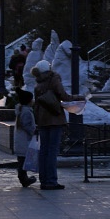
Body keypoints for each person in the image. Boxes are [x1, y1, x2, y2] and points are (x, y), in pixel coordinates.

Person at [31, 60, 81, 190]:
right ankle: (52, 181)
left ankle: (44, 180)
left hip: (42, 120)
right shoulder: (53, 79)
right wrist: (78, 97)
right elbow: (64, 96)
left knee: (44, 151)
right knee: (52, 151)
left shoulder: (38, 83)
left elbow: (36, 104)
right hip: (54, 119)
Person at [12, 81, 39, 188]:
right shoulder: (26, 112)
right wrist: (34, 131)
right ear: (28, 101)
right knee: (23, 161)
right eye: (31, 99)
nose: (33, 101)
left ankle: (24, 178)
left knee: (22, 160)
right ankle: (24, 179)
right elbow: (27, 125)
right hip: (25, 140)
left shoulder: (21, 110)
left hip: (20, 140)